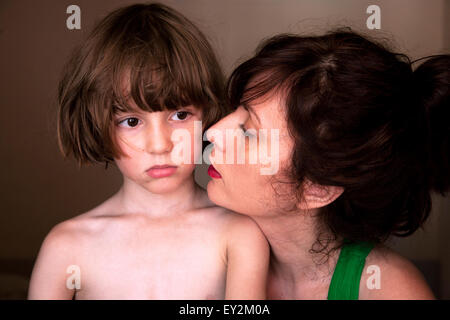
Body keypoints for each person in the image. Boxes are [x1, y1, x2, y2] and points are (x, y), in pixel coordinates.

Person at [28, 3, 269, 300]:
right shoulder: (66, 246)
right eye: (131, 121)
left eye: (180, 115)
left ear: (208, 114)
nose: (160, 145)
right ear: (97, 124)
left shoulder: (239, 234)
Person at [206, 28, 449, 299]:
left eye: (248, 132)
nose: (214, 132)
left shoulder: (389, 292)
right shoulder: (203, 252)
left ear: (316, 189)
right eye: (236, 109)